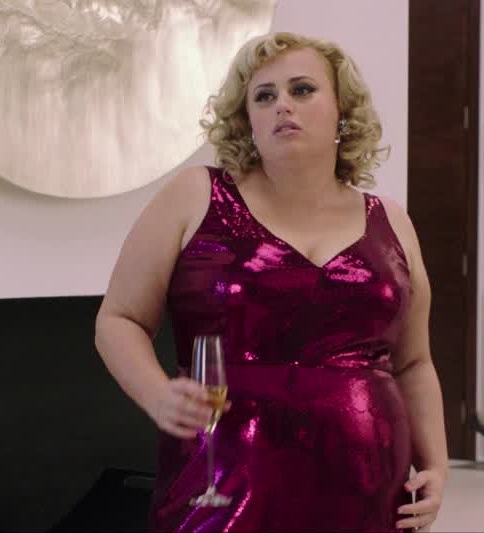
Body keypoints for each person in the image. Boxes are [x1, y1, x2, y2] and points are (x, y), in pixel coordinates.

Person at [95, 31, 449, 532]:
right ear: (248, 121)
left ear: (342, 110)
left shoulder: (391, 220)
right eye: (264, 96)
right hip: (225, 481)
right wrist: (156, 394)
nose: (283, 104)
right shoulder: (196, 195)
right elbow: (119, 319)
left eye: (302, 89)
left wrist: (437, 466)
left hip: (368, 486)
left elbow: (414, 363)